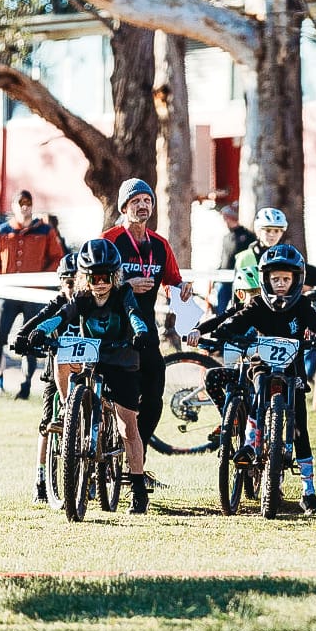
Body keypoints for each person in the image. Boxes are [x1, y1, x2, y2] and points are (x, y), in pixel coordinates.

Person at [189, 244, 316, 515]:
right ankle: (250, 442)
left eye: (286, 279)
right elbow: (232, 322)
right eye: (275, 279)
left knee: (301, 429)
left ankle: (309, 490)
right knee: (258, 389)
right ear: (265, 279)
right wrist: (214, 333)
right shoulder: (257, 304)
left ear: (296, 280)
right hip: (262, 365)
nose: (280, 285)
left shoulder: (302, 305)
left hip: (293, 371)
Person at [22, 240, 153, 513]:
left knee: (127, 427)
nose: (100, 283)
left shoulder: (123, 293)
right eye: (94, 277)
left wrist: (140, 332)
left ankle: (138, 489)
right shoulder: (81, 298)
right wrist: (41, 330)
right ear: (85, 278)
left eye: (106, 277)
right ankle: (71, 408)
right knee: (63, 359)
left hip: (121, 359)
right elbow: (61, 316)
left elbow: (134, 315)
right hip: (91, 356)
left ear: (115, 276)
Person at [102, 178, 191, 462]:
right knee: (113, 396)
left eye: (147, 200)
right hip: (112, 330)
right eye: (136, 201)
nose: (142, 206)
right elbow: (93, 282)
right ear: (124, 206)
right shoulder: (109, 240)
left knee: (153, 400)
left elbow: (172, 281)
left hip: (146, 332)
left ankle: (134, 459)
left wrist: (182, 289)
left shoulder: (160, 244)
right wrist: (126, 284)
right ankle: (101, 449)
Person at [0, 190, 65, 399]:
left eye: (28, 203)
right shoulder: (2, 231)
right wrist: (2, 280)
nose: (25, 207)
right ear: (14, 207)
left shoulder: (45, 231)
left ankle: (25, 386)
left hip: (33, 294)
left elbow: (57, 258)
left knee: (31, 340)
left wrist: (41, 280)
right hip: (8, 293)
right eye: (21, 203)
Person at [15, 252, 81, 503]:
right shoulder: (56, 305)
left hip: (86, 369)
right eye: (69, 282)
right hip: (56, 371)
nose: (74, 288)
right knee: (46, 423)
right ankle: (40, 478)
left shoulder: (87, 304)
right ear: (61, 283)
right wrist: (23, 337)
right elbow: (38, 321)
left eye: (78, 282)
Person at [213, 203, 256, 314]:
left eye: (226, 218)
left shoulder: (248, 236)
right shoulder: (227, 237)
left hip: (240, 279)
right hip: (224, 280)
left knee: (239, 309)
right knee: (221, 310)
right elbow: (224, 258)